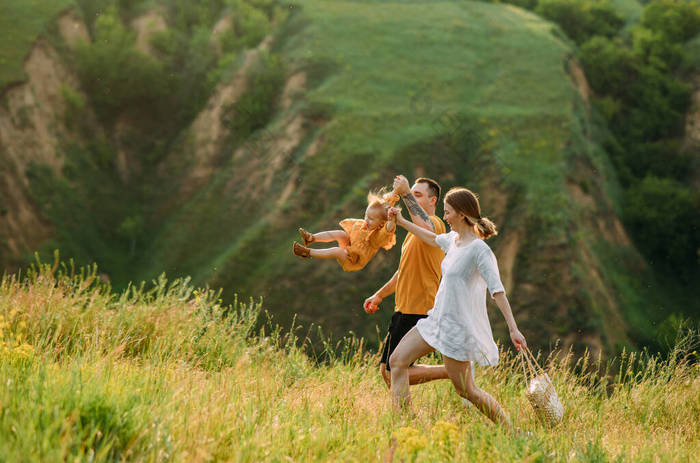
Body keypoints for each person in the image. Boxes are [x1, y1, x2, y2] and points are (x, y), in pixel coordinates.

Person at [388, 187, 527, 427]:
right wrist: (400, 221)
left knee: (467, 391)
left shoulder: (479, 250)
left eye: (448, 212)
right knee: (397, 361)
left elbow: (498, 291)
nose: (445, 217)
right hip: (435, 321)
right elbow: (431, 238)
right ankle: (403, 425)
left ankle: (512, 431)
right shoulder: (453, 241)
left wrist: (514, 329)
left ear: (462, 214)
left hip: (457, 329)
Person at [364, 175, 449, 388]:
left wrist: (405, 193)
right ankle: (405, 416)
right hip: (404, 307)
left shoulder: (436, 226)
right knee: (386, 371)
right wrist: (379, 295)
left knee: (395, 370)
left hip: (420, 308)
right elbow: (402, 272)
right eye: (412, 193)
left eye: (418, 195)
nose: (412, 197)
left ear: (433, 201)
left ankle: (453, 372)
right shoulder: (412, 234)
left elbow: (427, 226)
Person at [293, 188, 398, 271]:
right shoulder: (364, 224)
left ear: (381, 223)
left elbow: (388, 230)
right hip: (349, 246)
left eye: (371, 219)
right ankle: (312, 238)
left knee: (337, 251)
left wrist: (392, 219)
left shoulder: (376, 237)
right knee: (341, 234)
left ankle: (307, 252)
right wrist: (395, 191)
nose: (366, 220)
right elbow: (387, 202)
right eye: (366, 216)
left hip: (353, 261)